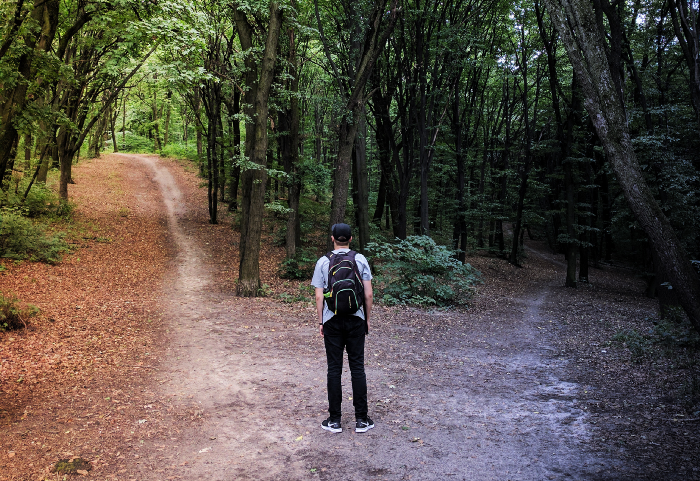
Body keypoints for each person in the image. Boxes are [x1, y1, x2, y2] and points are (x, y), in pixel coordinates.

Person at [311, 223, 374, 434]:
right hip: (356, 318)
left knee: (334, 369)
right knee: (357, 367)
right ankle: (362, 420)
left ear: (332, 239)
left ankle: (335, 420)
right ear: (350, 238)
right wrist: (366, 319)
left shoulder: (323, 262)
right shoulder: (360, 259)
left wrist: (321, 321)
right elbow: (368, 295)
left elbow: (319, 296)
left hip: (332, 320)